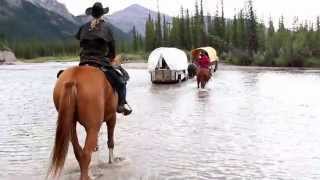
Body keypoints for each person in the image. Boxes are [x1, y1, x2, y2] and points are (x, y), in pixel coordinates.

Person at [75, 2, 132, 115]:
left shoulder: (83, 27)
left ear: (92, 14)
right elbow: (112, 50)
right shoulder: (106, 28)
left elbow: (80, 41)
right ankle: (121, 104)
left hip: (84, 61)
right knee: (121, 82)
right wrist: (111, 59)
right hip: (100, 62)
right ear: (102, 14)